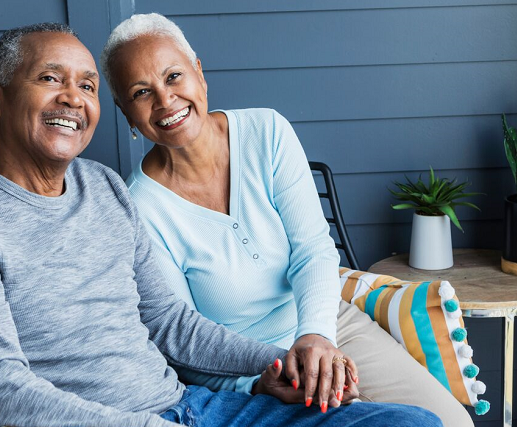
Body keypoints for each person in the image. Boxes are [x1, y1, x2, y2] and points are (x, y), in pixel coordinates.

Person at [0, 22, 440, 427]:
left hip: (190, 407)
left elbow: (169, 324)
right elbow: (2, 393)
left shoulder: (103, 189)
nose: (73, 97)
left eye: (87, 85)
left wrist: (281, 362)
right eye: (50, 79)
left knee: (411, 422)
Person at [101, 13, 474, 426]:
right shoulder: (139, 209)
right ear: (125, 111)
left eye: (173, 76)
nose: (165, 100)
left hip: (328, 324)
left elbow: (312, 251)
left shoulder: (267, 131)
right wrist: (256, 385)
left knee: (453, 423)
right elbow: (183, 342)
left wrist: (316, 336)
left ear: (199, 73)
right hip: (255, 375)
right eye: (141, 92)